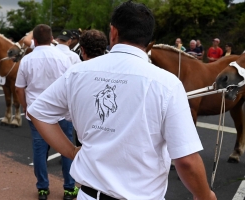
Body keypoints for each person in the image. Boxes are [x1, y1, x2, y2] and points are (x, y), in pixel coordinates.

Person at [27, 1, 216, 200]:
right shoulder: (168, 84)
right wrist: (205, 196)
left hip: (88, 195)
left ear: (113, 32)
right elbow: (186, 160)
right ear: (149, 40)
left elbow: (38, 112)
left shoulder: (78, 72)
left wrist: (72, 151)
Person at [15, 24, 78, 200]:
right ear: (52, 39)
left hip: (36, 113)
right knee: (67, 150)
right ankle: (69, 188)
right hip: (61, 112)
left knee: (39, 151)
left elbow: (19, 88)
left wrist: (26, 107)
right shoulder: (63, 58)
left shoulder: (27, 59)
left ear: (34, 40)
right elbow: (70, 86)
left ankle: (43, 188)